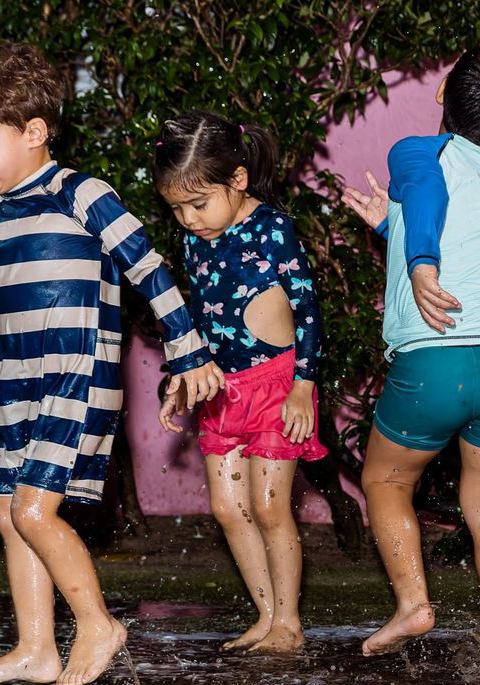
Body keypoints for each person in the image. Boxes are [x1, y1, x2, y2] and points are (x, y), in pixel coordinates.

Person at [0, 43, 223, 685]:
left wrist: (187, 346)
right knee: (9, 511)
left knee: (37, 511)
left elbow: (147, 267)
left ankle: (97, 623)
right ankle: (36, 648)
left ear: (33, 132)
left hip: (77, 374)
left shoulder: (79, 192)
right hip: (16, 380)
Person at [341, 44, 480, 658]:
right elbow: (472, 230)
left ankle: (413, 605)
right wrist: (389, 228)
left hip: (434, 361)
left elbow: (429, 194)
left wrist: (421, 263)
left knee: (385, 478)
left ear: (441, 97)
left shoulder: (416, 151)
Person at [155, 111, 326, 653]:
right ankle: (266, 616)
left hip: (278, 385)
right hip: (222, 391)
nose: (188, 218)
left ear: (238, 180)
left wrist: (305, 383)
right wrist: (182, 376)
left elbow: (308, 308)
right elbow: (202, 320)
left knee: (271, 506)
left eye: (198, 204)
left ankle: (289, 623)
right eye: (176, 208)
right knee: (229, 508)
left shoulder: (272, 228)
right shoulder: (195, 242)